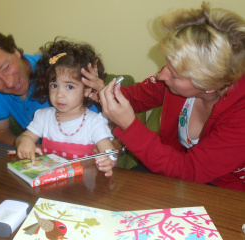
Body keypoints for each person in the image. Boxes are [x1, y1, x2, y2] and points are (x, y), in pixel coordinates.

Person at [85, 2, 245, 191]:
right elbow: (137, 97)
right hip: (179, 173)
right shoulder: (174, 83)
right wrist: (103, 92)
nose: (162, 76)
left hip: (229, 192)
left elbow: (189, 170)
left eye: (175, 75)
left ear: (210, 86)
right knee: (118, 191)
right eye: (166, 63)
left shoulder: (240, 115)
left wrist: (130, 125)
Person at [0, 29, 99, 146]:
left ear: (15, 52)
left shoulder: (57, 70)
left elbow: (99, 124)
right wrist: (25, 145)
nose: (8, 82)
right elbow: (0, 131)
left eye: (6, 67)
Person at [15, 39, 115, 176]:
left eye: (69, 87)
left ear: (86, 90)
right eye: (54, 86)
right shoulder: (43, 116)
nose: (59, 94)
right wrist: (25, 142)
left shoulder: (95, 122)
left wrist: (107, 160)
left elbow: (109, 151)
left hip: (84, 186)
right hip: (50, 183)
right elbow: (23, 137)